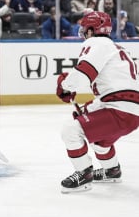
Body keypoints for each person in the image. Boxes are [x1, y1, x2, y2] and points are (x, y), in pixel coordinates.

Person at [56, 11, 139, 193]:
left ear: (92, 30)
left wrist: (64, 84)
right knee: (99, 139)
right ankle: (112, 170)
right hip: (129, 110)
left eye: (85, 29)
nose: (84, 34)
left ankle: (84, 174)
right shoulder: (117, 48)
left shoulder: (96, 43)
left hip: (119, 109)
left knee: (71, 130)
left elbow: (83, 75)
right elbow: (116, 92)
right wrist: (88, 109)